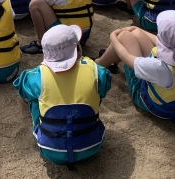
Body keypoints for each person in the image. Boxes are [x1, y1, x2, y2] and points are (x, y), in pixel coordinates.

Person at [14, 24, 111, 168]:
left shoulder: (38, 75)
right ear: (77, 49)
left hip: (51, 151)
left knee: (35, 96)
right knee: (96, 91)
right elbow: (105, 85)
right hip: (91, 147)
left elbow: (20, 86)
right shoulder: (96, 71)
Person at [96, 11, 175, 123]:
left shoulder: (160, 67)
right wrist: (138, 30)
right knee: (137, 34)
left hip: (155, 106)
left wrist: (113, 37)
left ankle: (98, 64)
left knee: (124, 37)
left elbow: (125, 57)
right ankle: (109, 60)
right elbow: (168, 44)